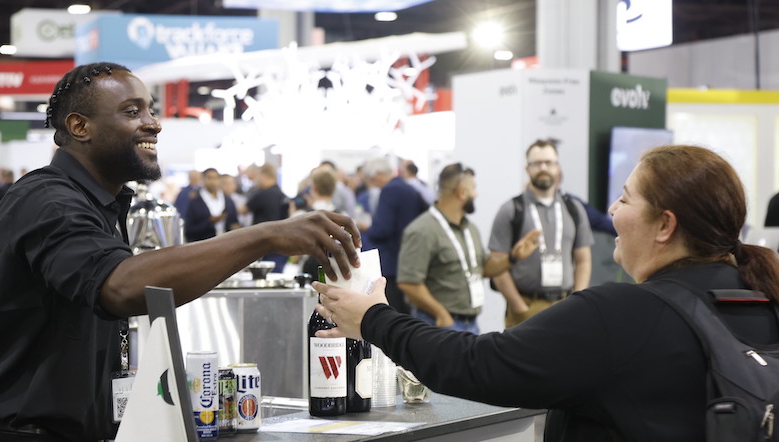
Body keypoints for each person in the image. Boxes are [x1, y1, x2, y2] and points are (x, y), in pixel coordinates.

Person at [0, 62, 361, 442]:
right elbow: (118, 286)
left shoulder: (100, 204)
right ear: (79, 126)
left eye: (150, 110)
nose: (154, 124)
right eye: (132, 112)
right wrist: (264, 237)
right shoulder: (49, 200)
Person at [313, 144, 779, 441]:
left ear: (665, 226)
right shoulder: (764, 298)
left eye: (626, 197)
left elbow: (479, 365)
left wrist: (374, 318)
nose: (612, 209)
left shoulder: (624, 314)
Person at [397, 163, 539, 333]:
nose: (476, 193)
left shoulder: (469, 228)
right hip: (438, 325)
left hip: (470, 324)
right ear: (462, 193)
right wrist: (441, 313)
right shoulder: (422, 230)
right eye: (474, 188)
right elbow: (409, 283)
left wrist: (512, 258)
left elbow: (483, 268)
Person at [489, 139, 593, 327]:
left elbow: (583, 259)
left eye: (549, 162)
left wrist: (578, 299)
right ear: (527, 169)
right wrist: (518, 306)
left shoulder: (574, 209)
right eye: (536, 163)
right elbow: (497, 265)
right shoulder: (511, 210)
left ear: (557, 167)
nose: (543, 168)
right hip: (527, 304)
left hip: (566, 304)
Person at [360, 156, 427, 314]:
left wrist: (366, 228)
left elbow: (382, 229)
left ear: (378, 174)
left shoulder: (390, 190)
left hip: (391, 261)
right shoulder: (406, 188)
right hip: (406, 257)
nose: (373, 183)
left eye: (372, 179)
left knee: (392, 313)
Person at [238, 163, 289, 272]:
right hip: (281, 244)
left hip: (264, 245)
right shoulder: (281, 195)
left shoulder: (262, 194)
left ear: (264, 175)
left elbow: (242, 210)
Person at [183, 168, 239, 242]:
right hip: (204, 245)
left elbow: (234, 222)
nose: (213, 182)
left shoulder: (228, 201)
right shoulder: (195, 202)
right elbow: (189, 230)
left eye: (216, 178)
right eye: (210, 178)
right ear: (203, 179)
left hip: (226, 244)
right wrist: (209, 222)